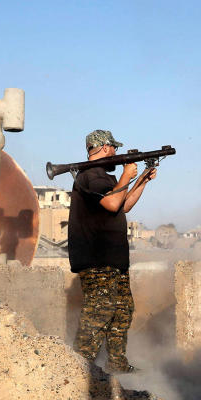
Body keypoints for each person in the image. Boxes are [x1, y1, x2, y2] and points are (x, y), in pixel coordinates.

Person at [68, 129, 157, 373]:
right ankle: (79, 368)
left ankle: (116, 363)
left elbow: (123, 205)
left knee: (122, 309)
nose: (116, 153)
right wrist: (127, 175)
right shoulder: (91, 175)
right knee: (100, 309)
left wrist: (141, 181)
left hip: (113, 259)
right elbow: (111, 202)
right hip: (97, 258)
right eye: (114, 148)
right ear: (105, 148)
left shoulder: (105, 179)